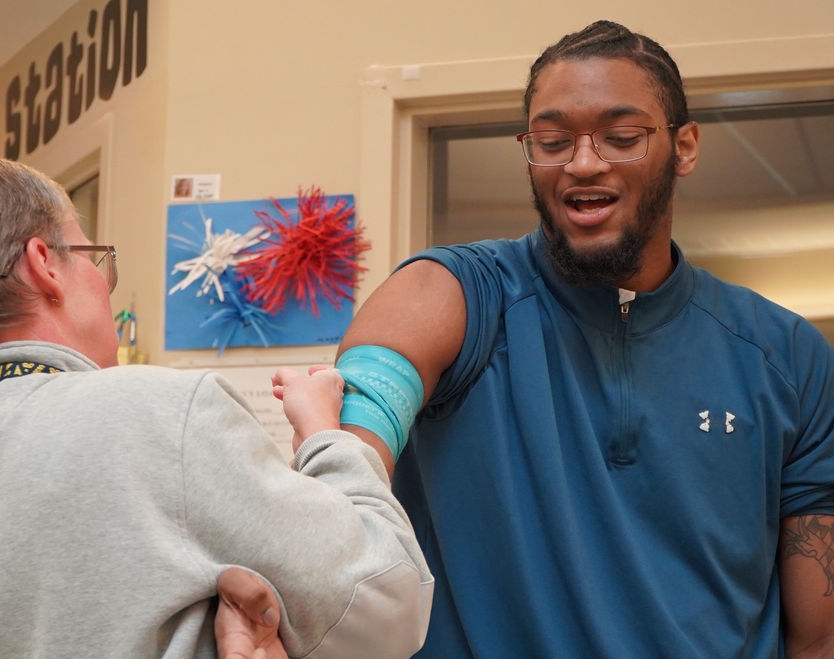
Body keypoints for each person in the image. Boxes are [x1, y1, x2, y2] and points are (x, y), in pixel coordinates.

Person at [328, 20, 834, 658]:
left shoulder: (785, 358)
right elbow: (346, 457)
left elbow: (817, 638)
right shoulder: (457, 293)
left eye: (622, 137)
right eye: (552, 140)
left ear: (685, 147)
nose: (583, 162)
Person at [0, 157, 433, 658]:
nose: (104, 284)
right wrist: (326, 438)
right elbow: (385, 601)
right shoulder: (157, 411)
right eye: (92, 256)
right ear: (45, 265)